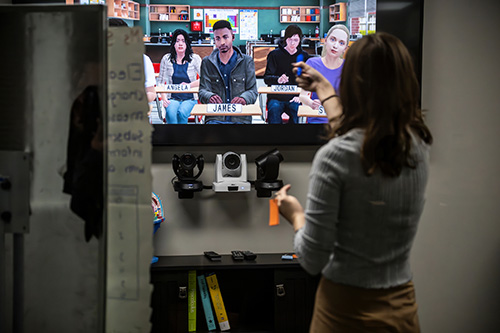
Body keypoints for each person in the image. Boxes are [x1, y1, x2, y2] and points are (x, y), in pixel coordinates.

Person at [276, 32, 433, 332]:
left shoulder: (334, 157)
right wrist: (322, 86)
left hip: (343, 312)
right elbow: (357, 140)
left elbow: (311, 259)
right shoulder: (417, 147)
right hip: (401, 307)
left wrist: (295, 215)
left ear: (352, 83)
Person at [198, 20, 258, 124]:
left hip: (240, 119)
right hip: (215, 119)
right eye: (218, 39)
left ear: (233, 37)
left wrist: (243, 98)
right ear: (214, 40)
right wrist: (209, 96)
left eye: (225, 37)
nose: (222, 43)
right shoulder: (207, 62)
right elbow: (202, 91)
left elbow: (253, 91)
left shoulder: (247, 61)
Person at [299, 24, 349, 124]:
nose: (335, 45)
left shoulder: (348, 67)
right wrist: (311, 103)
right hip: (316, 120)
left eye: (341, 43)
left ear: (345, 48)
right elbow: (302, 96)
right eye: (333, 39)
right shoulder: (312, 64)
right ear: (326, 40)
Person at [263, 24, 309, 124]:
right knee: (274, 109)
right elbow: (266, 78)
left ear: (300, 40)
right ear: (285, 39)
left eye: (296, 40)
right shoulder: (274, 55)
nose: (292, 43)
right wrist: (277, 79)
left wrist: (301, 96)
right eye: (289, 39)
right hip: (276, 96)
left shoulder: (304, 56)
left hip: (295, 97)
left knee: (296, 111)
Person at [158, 29, 201, 124]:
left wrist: (189, 85)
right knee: (170, 113)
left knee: (181, 113)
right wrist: (164, 98)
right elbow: (160, 82)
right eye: (177, 41)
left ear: (187, 44)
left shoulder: (195, 59)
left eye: (183, 41)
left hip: (190, 98)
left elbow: (204, 79)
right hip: (172, 98)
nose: (180, 44)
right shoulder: (166, 59)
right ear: (173, 44)